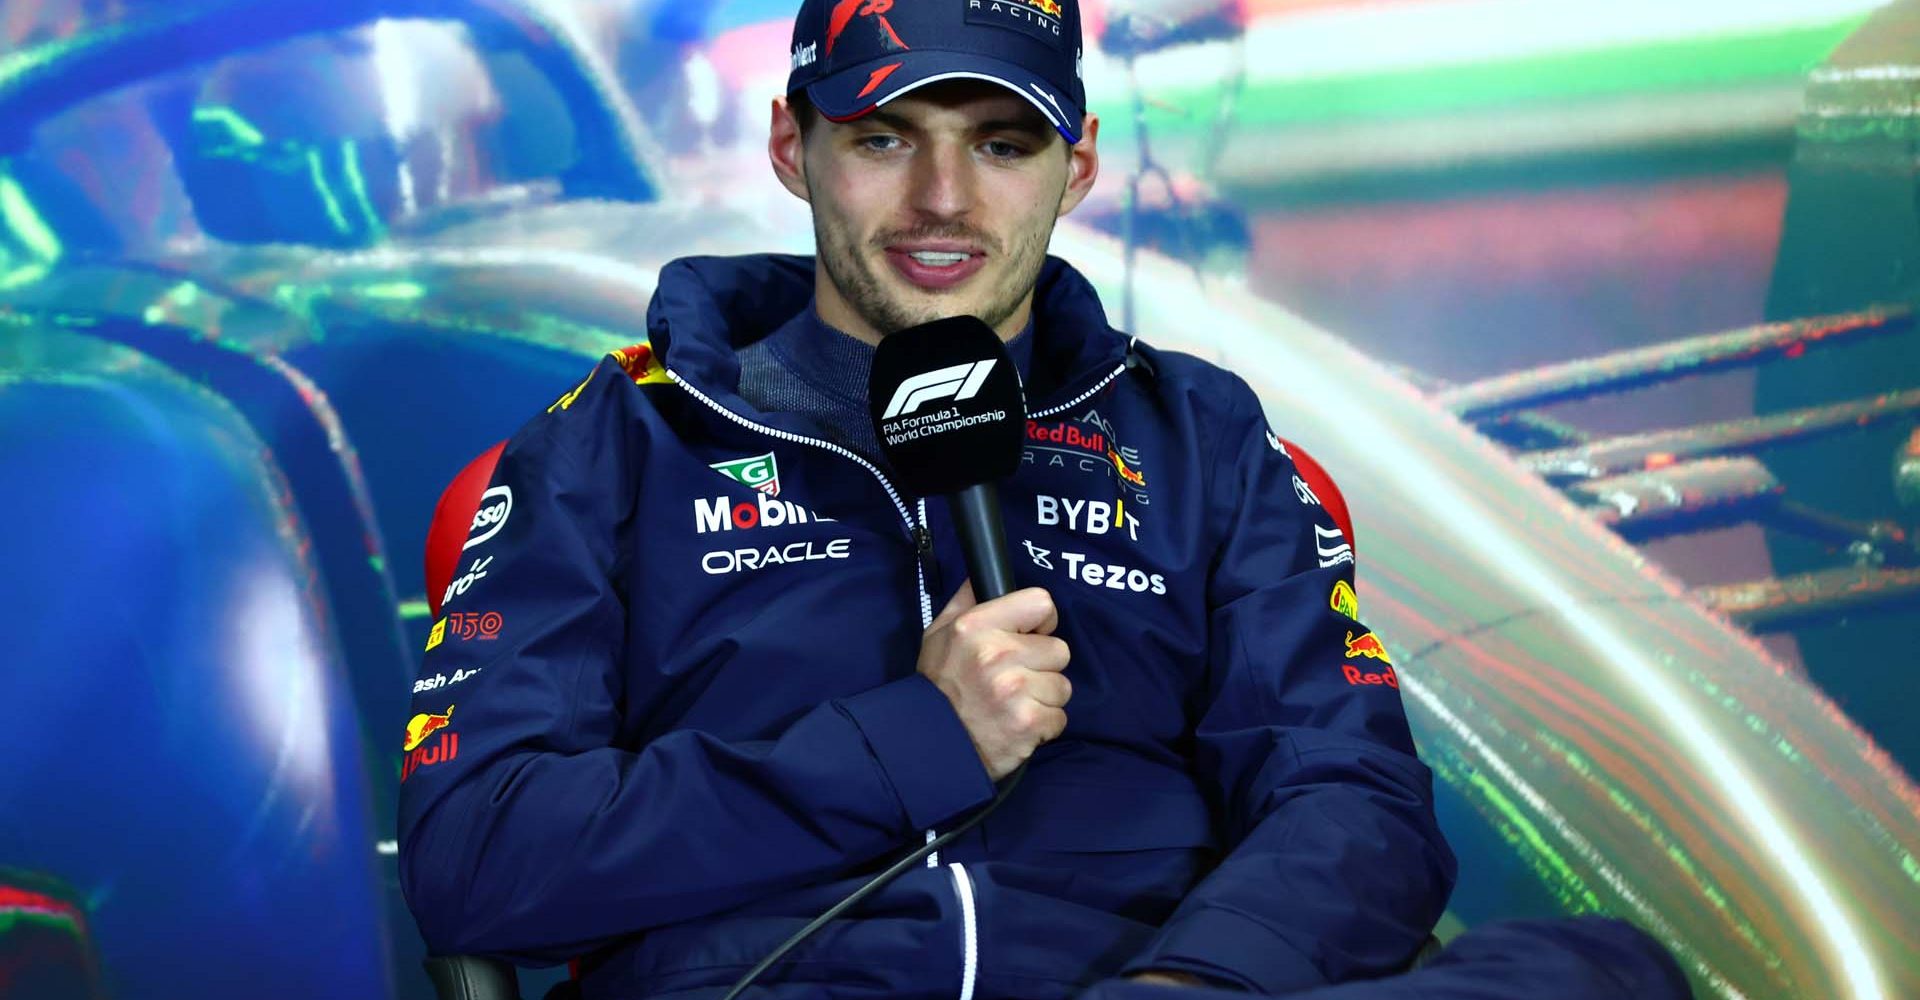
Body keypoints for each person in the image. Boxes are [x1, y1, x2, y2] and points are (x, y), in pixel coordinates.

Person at [397, 0, 1691, 996]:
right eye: (887, 137)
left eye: (1001, 144)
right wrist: (909, 742)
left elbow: (1355, 801)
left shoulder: (1201, 437)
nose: (944, 201)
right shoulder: (612, 446)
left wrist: (1195, 983)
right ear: (794, 145)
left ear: (1075, 168)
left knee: (1609, 970)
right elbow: (476, 855)